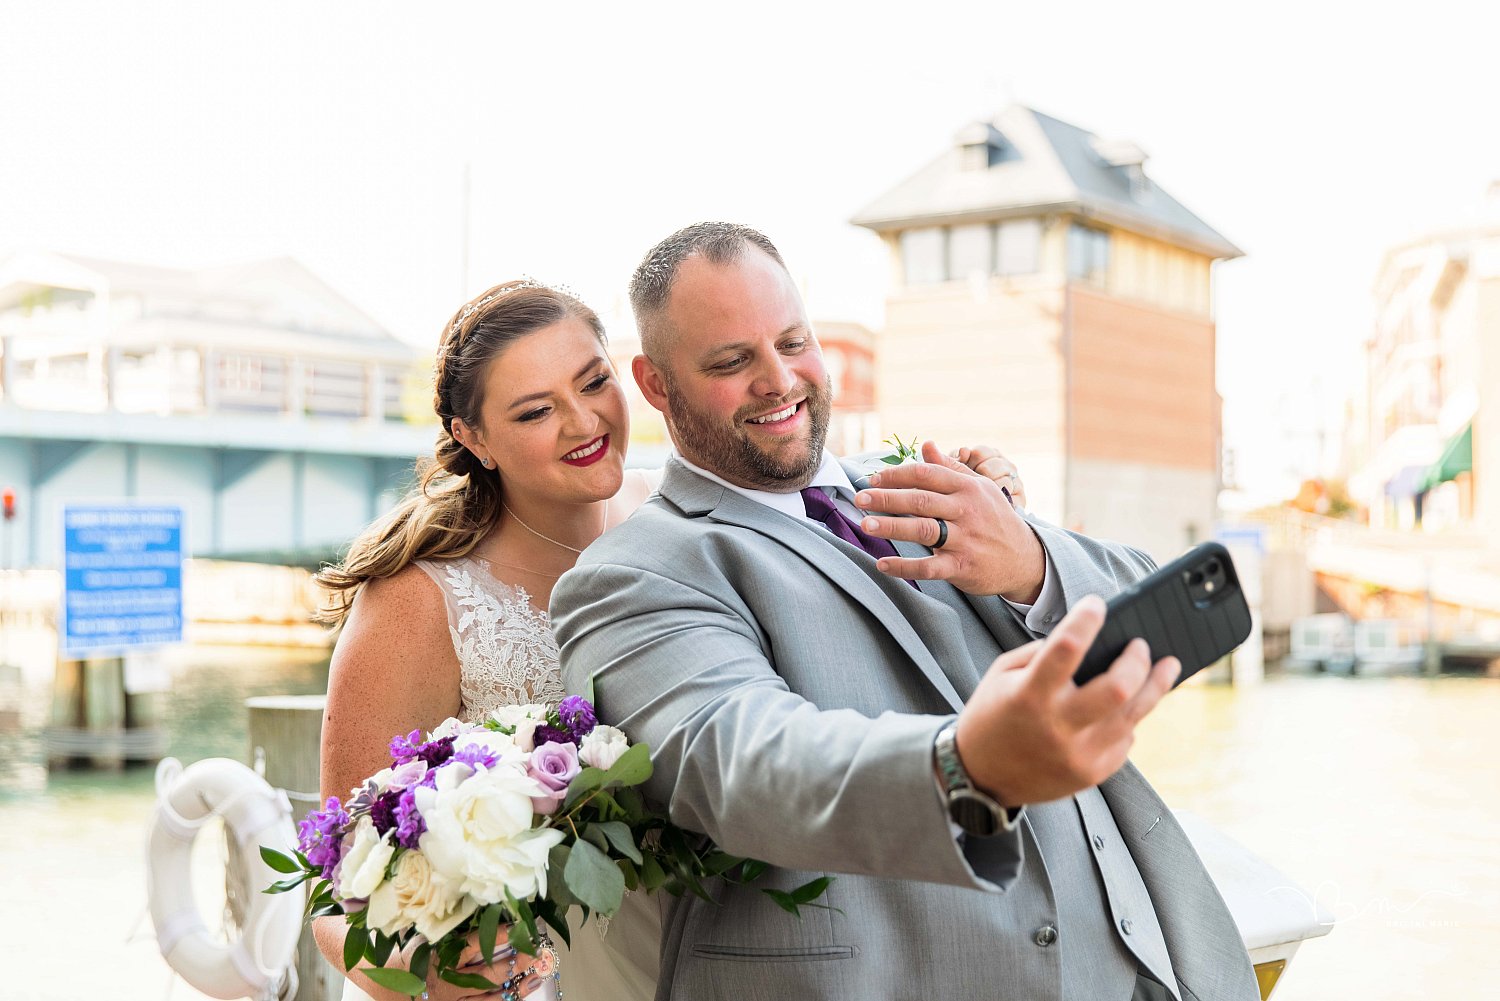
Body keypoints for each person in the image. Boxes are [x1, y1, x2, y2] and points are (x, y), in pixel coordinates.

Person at [551, 222, 1261, 1001]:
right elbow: (741, 764)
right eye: (731, 361)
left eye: (794, 341)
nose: (779, 380)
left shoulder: (924, 485)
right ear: (655, 383)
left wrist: (1027, 558)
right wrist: (968, 767)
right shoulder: (633, 572)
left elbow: (1147, 603)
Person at [312, 278, 1027, 1001]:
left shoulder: (695, 512)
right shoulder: (420, 600)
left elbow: (831, 512)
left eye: (594, 382)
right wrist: (438, 979)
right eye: (535, 410)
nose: (583, 421)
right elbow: (337, 890)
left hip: (740, 942)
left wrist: (978, 488)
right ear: (473, 438)